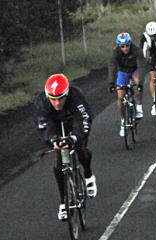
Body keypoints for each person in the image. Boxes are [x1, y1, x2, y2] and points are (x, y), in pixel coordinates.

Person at [35, 73, 97, 220]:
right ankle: (63, 202)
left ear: (67, 94)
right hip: (55, 124)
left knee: (81, 151)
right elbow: (43, 125)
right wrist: (53, 140)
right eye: (53, 99)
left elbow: (83, 120)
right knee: (59, 161)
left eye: (60, 98)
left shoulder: (76, 96)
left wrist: (74, 138)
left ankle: (88, 175)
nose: (57, 103)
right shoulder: (41, 102)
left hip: (73, 119)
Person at [108, 32, 145, 136]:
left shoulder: (137, 50)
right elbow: (112, 67)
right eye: (122, 46)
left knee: (137, 83)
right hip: (123, 71)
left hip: (134, 70)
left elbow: (141, 66)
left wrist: (140, 84)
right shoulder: (115, 53)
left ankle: (139, 107)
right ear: (119, 46)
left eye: (127, 45)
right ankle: (123, 121)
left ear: (130, 43)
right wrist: (111, 83)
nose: (125, 48)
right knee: (120, 97)